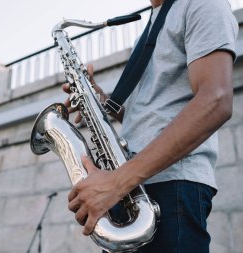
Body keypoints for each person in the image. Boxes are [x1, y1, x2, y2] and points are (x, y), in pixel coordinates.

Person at [62, 0, 239, 252]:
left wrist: (116, 182)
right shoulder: (155, 20)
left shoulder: (201, 3)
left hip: (171, 186)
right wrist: (97, 99)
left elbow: (216, 99)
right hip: (132, 188)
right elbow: (151, 115)